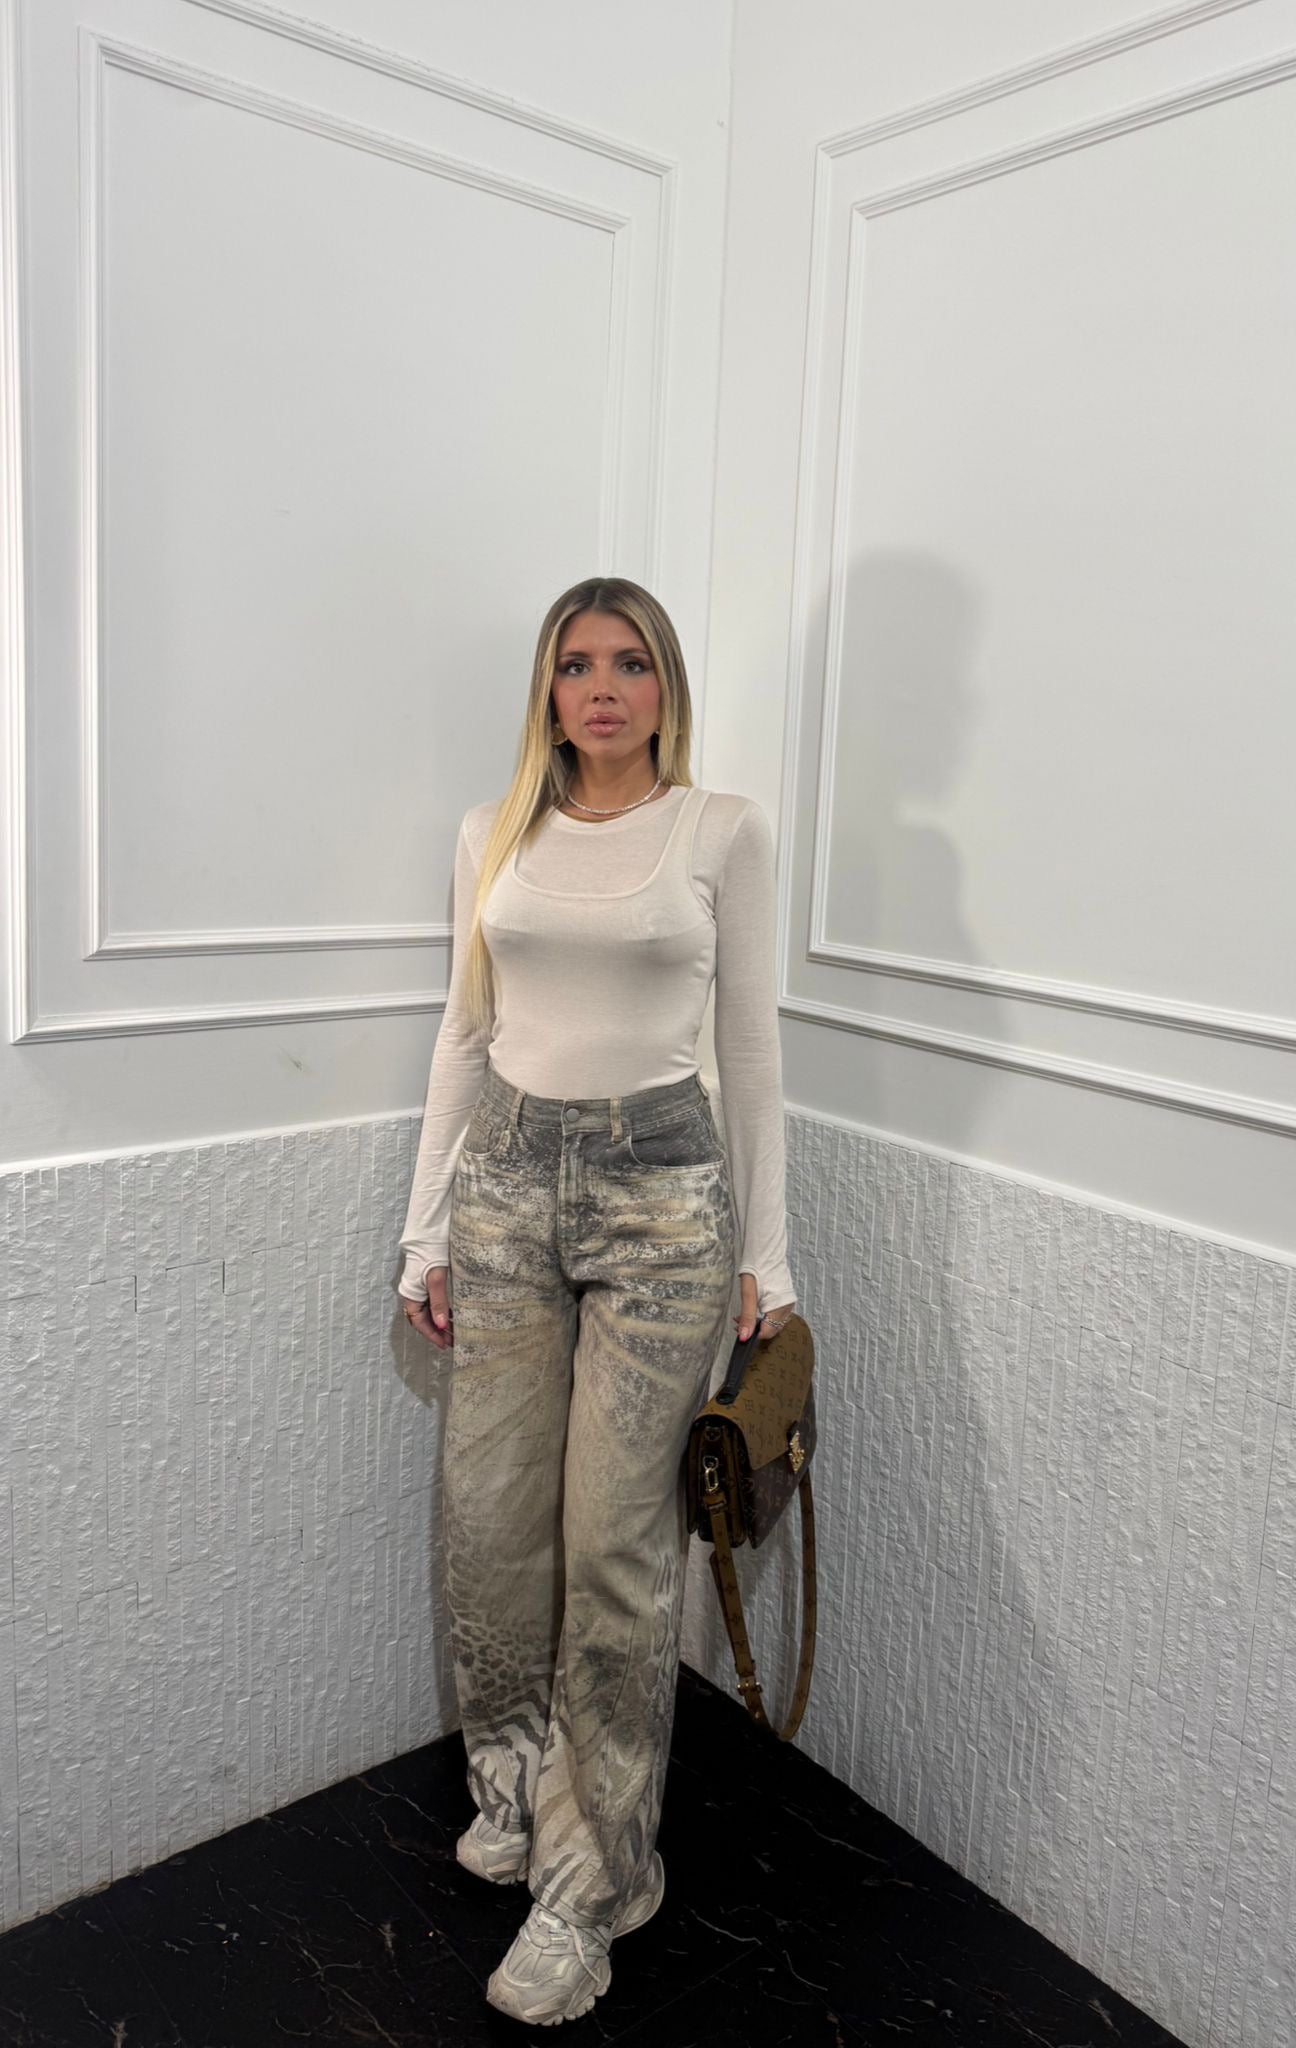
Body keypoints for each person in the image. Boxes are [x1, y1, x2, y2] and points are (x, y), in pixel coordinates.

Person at [395, 575, 797, 2026]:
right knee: (493, 1519)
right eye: (577, 664)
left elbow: (750, 1047)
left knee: (616, 1548)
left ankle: (594, 1882)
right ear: (548, 690)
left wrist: (771, 1254)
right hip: (504, 1187)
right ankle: (512, 1784)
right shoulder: (493, 832)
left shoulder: (720, 831)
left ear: (664, 686)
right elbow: (466, 1030)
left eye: (631, 663)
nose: (604, 689)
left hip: (662, 1205)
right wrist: (423, 1232)